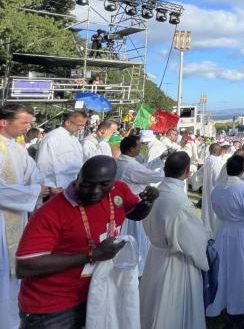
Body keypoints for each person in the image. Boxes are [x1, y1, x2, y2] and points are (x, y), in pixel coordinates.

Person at [16, 156, 157, 328]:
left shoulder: (119, 191)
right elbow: (24, 267)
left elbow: (134, 213)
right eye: (87, 184)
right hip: (52, 308)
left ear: (113, 182)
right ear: (78, 178)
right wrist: (92, 255)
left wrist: (147, 204)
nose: (95, 191)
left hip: (97, 295)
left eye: (104, 185)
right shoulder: (51, 212)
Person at [139, 152, 210, 329]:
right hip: (176, 260)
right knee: (173, 308)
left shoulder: (157, 192)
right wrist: (206, 237)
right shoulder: (179, 201)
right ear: (187, 171)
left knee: (153, 302)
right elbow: (193, 241)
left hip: (155, 256)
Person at [0, 104, 46, 329]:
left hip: (16, 217)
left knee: (11, 277)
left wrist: (39, 185)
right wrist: (34, 191)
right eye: (24, 123)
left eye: (30, 123)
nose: (29, 127)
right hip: (0, 223)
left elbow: (33, 172)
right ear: (4, 122)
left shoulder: (18, 147)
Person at [205, 155, 244, 326]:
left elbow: (216, 209)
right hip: (241, 233)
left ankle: (223, 303)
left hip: (224, 231)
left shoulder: (218, 188)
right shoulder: (243, 189)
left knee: (224, 269)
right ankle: (239, 306)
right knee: (240, 270)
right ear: (243, 169)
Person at [115, 135, 163, 276]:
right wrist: (170, 167)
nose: (140, 148)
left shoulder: (123, 161)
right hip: (134, 208)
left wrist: (160, 159)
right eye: (138, 146)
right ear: (130, 149)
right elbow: (153, 176)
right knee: (136, 240)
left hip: (125, 207)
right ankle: (138, 269)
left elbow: (144, 168)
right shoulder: (130, 166)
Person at [35, 111, 87, 188]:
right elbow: (43, 165)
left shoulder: (73, 138)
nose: (80, 128)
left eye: (83, 125)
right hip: (57, 187)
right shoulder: (52, 138)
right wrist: (50, 187)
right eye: (79, 125)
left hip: (72, 184)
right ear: (68, 122)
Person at [201, 142, 227, 237]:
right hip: (214, 189)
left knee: (208, 210)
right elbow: (217, 178)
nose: (221, 151)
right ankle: (212, 231)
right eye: (220, 149)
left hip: (208, 188)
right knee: (212, 212)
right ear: (215, 150)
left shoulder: (208, 159)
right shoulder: (215, 161)